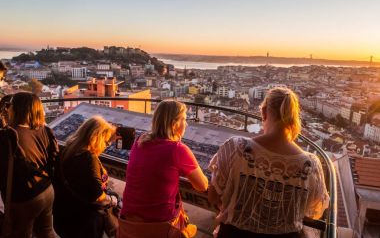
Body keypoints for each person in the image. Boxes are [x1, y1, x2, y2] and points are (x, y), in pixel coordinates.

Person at [208, 87, 329, 238]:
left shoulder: (235, 148)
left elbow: (213, 196)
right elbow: (315, 211)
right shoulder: (311, 164)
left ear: (264, 112)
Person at [119, 100, 208, 238]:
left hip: (128, 223)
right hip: (158, 227)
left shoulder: (140, 141)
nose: (187, 124)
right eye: (184, 119)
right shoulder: (178, 149)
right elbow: (202, 185)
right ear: (174, 124)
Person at [0, 92, 59, 238]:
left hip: (24, 197)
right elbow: (54, 157)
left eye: (9, 106)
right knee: (47, 231)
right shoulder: (45, 130)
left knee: (22, 234)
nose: (7, 109)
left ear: (17, 109)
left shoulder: (8, 136)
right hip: (47, 190)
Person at [53, 115, 116, 238]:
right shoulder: (88, 158)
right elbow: (97, 196)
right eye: (106, 142)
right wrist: (111, 199)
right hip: (83, 221)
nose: (105, 146)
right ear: (97, 138)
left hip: (62, 214)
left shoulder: (66, 150)